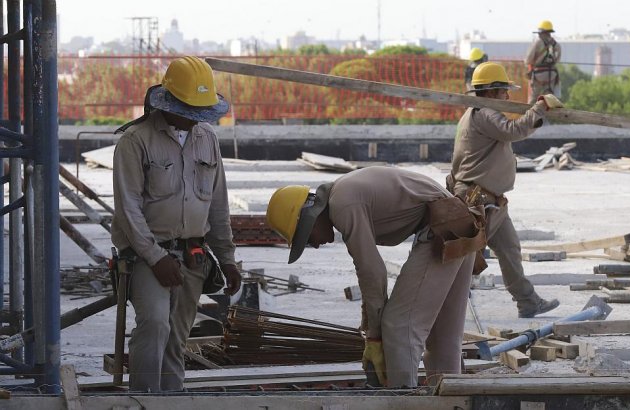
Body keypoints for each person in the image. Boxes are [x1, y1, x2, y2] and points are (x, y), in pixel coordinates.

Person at [266, 166, 480, 388]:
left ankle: (401, 403)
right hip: (460, 223)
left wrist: (375, 336)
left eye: (307, 239)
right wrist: (369, 326)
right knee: (442, 338)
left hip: (444, 227)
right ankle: (453, 400)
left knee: (399, 325)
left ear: (309, 219)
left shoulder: (342, 205)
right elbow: (369, 276)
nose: (315, 245)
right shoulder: (344, 192)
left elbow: (372, 271)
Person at [111, 56, 242, 392]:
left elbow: (217, 205)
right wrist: (156, 258)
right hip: (146, 254)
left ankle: (171, 398)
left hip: (193, 256)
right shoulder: (135, 141)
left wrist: (227, 259)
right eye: (189, 110)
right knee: (155, 325)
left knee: (177, 338)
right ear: (168, 101)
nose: (194, 120)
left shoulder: (207, 139)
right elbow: (128, 209)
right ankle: (144, 399)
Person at [449, 62, 562, 319]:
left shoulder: (473, 113)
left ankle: (528, 301)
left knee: (510, 250)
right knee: (464, 257)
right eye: (503, 92)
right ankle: (442, 303)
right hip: (480, 200)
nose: (507, 98)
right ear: (491, 92)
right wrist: (539, 108)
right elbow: (514, 130)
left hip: (491, 200)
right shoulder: (485, 113)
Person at [524, 20, 562, 104]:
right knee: (549, 99)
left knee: (533, 98)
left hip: (538, 74)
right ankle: (548, 116)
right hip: (552, 74)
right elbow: (557, 59)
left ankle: (529, 115)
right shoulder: (556, 44)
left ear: (542, 32)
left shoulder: (538, 42)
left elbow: (528, 60)